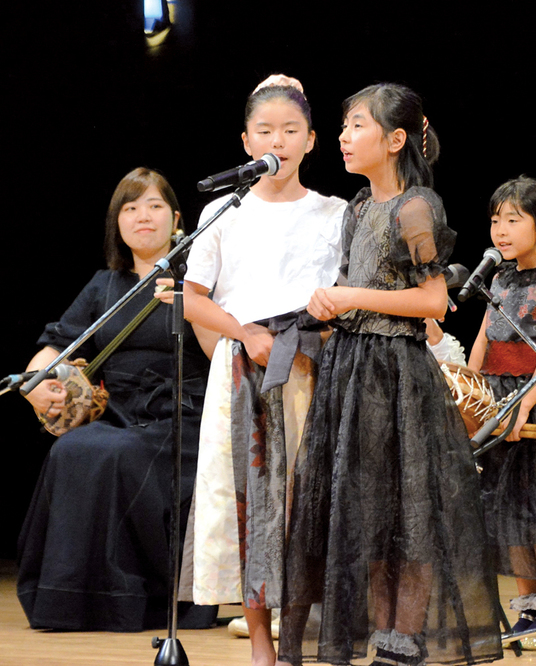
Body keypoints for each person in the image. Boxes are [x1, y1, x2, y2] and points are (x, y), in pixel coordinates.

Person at [278, 83, 503, 666]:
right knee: (367, 511)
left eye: (357, 125)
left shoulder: (416, 206)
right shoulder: (358, 207)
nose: (345, 137)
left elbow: (432, 300)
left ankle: (403, 639)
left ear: (395, 139)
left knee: (406, 513)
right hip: (351, 370)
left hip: (395, 373)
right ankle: (381, 635)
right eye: (345, 126)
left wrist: (351, 295)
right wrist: (331, 305)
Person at [182, 75, 346, 666]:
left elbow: (348, 291)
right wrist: (243, 332)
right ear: (247, 141)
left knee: (305, 501)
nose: (278, 139)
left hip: (310, 368)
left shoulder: (336, 212)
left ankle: (303, 634)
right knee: (249, 502)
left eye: (291, 130)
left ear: (311, 140)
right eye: (265, 130)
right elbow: (190, 295)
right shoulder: (222, 211)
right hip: (242, 372)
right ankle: (260, 643)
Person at [16, 167, 217, 632]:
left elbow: (220, 346)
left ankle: (139, 596)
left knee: (115, 453)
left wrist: (191, 297)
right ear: (117, 224)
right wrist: (35, 382)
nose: (142, 216)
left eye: (154, 206)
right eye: (130, 208)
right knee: (71, 449)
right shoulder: (103, 284)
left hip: (185, 415)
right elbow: (59, 342)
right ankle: (68, 600)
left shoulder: (199, 276)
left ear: (177, 218)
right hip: (123, 413)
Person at [466, 176, 536, 647]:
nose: (502, 230)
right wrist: (468, 397)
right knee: (507, 510)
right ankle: (527, 608)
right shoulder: (497, 277)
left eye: (514, 220)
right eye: (496, 221)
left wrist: (521, 408)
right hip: (494, 400)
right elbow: (482, 342)